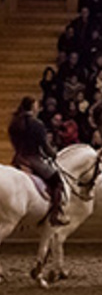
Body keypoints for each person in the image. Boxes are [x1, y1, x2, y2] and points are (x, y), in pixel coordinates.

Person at [9, 96, 68, 226]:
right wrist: (54, 155)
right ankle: (55, 214)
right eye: (36, 105)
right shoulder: (36, 124)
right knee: (57, 181)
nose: (38, 108)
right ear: (32, 107)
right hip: (33, 159)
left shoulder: (15, 122)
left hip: (18, 157)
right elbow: (44, 146)